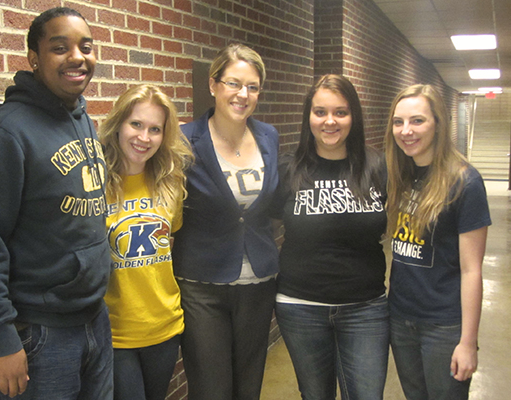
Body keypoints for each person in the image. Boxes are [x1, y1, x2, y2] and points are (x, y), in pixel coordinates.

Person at [0, 7, 113, 399]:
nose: (78, 57)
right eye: (60, 47)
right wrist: (0, 337)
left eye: (86, 47)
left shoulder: (82, 119)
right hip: (38, 332)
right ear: (34, 59)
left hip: (94, 319)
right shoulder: (6, 135)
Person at [171, 43, 279, 399]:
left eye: (252, 86)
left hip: (259, 284)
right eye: (233, 83)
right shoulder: (184, 140)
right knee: (211, 390)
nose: (242, 94)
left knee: (248, 386)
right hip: (202, 285)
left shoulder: (268, 137)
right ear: (213, 84)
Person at [271, 74, 389, 399]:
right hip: (300, 307)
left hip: (366, 308)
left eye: (341, 112)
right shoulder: (288, 169)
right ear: (308, 116)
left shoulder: (377, 166)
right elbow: (260, 228)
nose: (330, 121)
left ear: (354, 117)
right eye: (320, 112)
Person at [385, 84, 491, 400]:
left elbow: (472, 270)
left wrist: (468, 341)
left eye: (417, 121)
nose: (406, 131)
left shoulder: (465, 182)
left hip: (444, 326)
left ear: (438, 124)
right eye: (398, 122)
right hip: (401, 319)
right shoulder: (400, 174)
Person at [98, 84, 193, 400]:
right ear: (119, 124)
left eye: (155, 129)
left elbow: (169, 243)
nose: (144, 137)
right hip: (115, 332)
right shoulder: (95, 182)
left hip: (164, 327)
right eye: (136, 124)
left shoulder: (170, 181)